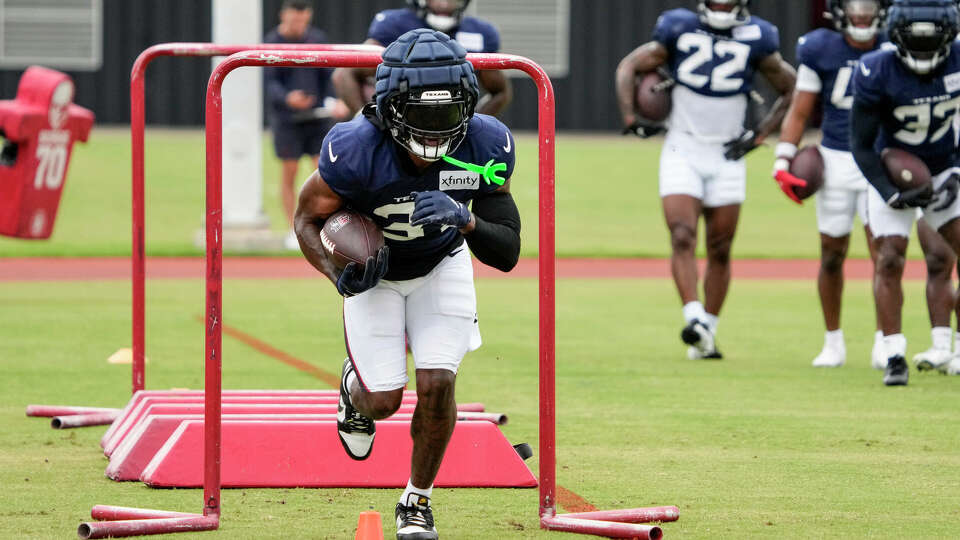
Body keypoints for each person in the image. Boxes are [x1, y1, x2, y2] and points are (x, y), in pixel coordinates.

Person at [294, 29, 520, 539]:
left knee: (438, 385)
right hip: (378, 277)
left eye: (447, 112)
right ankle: (354, 391)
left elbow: (505, 250)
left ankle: (416, 501)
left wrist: (466, 221)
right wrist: (339, 275)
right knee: (384, 402)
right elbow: (305, 220)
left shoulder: (486, 142)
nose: (436, 128)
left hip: (441, 264)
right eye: (422, 112)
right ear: (390, 107)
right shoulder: (354, 148)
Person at [773, 0, 958, 370]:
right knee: (853, 254)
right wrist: (783, 157)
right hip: (860, 160)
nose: (861, 13)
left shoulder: (938, 58)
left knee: (918, 255)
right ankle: (858, 345)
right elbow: (811, 113)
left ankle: (899, 343)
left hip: (928, 162)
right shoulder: (848, 57)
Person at [615, 0, 796, 359]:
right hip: (683, 146)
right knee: (682, 234)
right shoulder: (678, 26)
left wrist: (759, 135)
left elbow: (793, 87)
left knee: (720, 247)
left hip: (727, 153)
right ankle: (694, 317)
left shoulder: (758, 35)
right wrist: (630, 116)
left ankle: (708, 332)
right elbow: (629, 67)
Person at [850, 0, 960, 385]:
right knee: (890, 258)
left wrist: (957, 171)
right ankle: (894, 352)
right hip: (892, 170)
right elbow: (861, 146)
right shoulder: (875, 70)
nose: (925, 52)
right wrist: (889, 192)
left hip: (945, 166)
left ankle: (953, 344)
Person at [332, 0, 511, 117]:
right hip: (402, 123)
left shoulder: (480, 32)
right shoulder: (393, 25)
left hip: (452, 122)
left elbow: (501, 91)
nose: (444, 3)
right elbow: (344, 74)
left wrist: (472, 122)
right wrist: (367, 120)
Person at [264, 0, 348, 250]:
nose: (299, 24)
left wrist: (336, 101)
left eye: (303, 19)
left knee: (324, 173)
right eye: (294, 19)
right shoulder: (271, 43)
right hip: (287, 121)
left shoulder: (317, 38)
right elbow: (269, 82)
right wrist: (287, 98)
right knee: (289, 173)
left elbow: (328, 77)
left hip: (318, 118)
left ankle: (325, 228)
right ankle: (294, 229)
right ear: (283, 15)